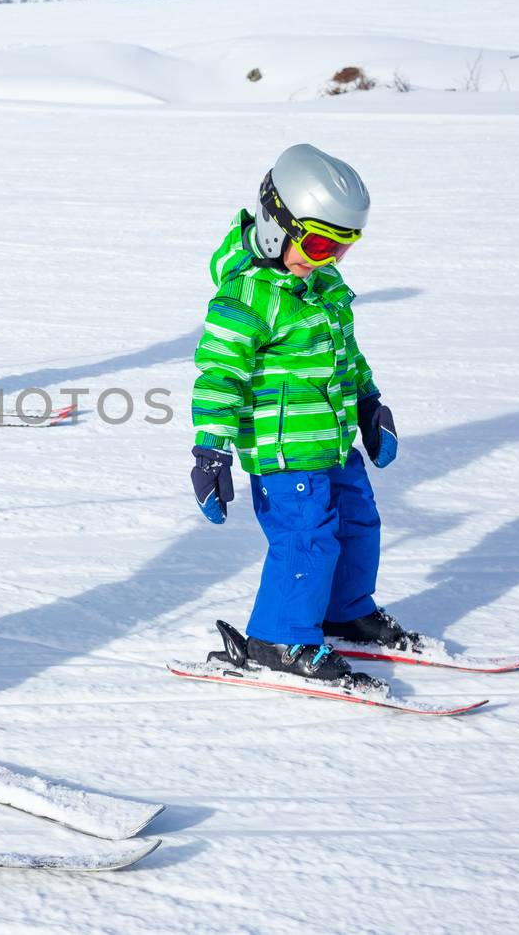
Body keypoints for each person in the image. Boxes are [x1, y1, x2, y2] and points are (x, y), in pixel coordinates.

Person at [188, 144, 410, 690]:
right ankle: (279, 638)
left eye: (342, 246)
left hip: (333, 444)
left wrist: (367, 401)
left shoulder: (325, 288)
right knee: (306, 540)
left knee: (359, 524)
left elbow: (346, 354)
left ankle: (345, 611)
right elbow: (219, 377)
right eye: (316, 243)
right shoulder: (246, 296)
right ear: (274, 221)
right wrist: (210, 448)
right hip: (284, 454)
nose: (327, 259)